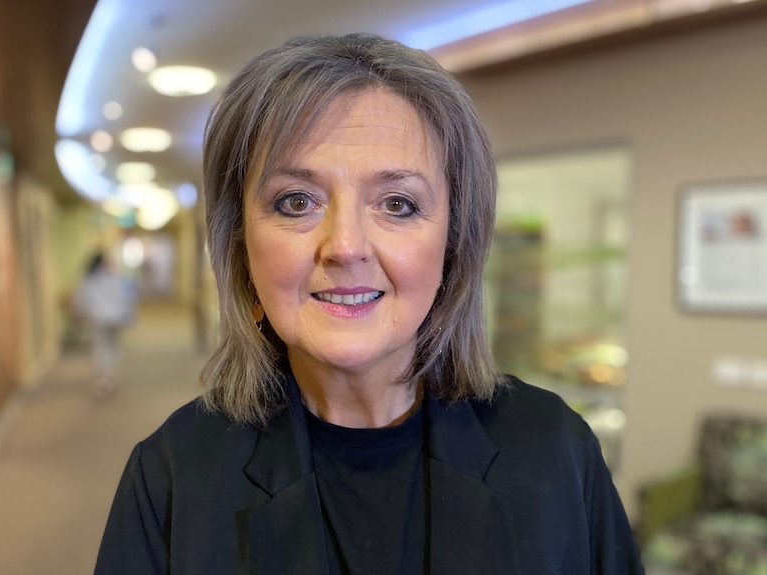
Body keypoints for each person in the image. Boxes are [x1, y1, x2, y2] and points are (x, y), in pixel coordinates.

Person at [94, 33, 643, 574]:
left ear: (453, 245)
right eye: (296, 201)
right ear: (240, 246)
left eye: (398, 204)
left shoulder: (556, 450)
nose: (346, 247)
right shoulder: (170, 473)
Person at [74, 251, 136, 398]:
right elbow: (123, 297)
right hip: (115, 318)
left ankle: (104, 379)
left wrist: (81, 313)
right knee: (113, 346)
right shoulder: (113, 277)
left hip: (99, 318)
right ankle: (112, 375)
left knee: (101, 347)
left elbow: (82, 298)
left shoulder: (88, 279)